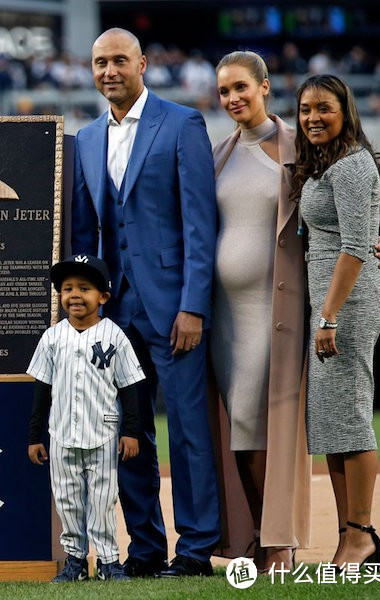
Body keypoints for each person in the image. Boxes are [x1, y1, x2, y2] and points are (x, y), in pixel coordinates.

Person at [71, 28, 220, 577]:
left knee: (187, 432)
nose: (109, 70)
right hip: (115, 314)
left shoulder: (182, 124)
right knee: (123, 435)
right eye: (99, 62)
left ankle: (197, 548)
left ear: (142, 64)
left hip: (173, 310)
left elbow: (201, 225)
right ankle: (146, 549)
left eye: (119, 61)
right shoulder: (85, 139)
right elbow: (84, 239)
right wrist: (88, 313)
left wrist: (194, 305)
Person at [209, 51, 311, 571]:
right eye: (224, 91)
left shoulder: (302, 144)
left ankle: (279, 543)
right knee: (239, 425)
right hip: (225, 314)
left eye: (241, 88)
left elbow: (336, 212)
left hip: (277, 308)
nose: (233, 99)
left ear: (265, 86)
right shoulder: (218, 153)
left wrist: (378, 246)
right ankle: (259, 536)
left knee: (255, 419)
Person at [292, 74, 380, 570]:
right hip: (330, 306)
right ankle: (349, 534)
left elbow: (355, 247)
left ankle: (362, 533)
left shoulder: (351, 166)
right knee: (331, 423)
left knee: (349, 416)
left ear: (345, 111)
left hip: (345, 306)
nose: (313, 117)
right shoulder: (326, 164)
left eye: (324, 108)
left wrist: (328, 316)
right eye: (306, 108)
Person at [27, 254, 144, 582]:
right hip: (61, 434)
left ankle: (108, 563)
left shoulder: (115, 336)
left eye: (84, 288)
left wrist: (131, 432)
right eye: (67, 288)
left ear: (103, 296)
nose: (74, 294)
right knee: (67, 502)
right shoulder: (52, 337)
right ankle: (75, 562)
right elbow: (41, 390)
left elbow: (130, 388)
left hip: (103, 434)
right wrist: (35, 436)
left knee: (104, 502)